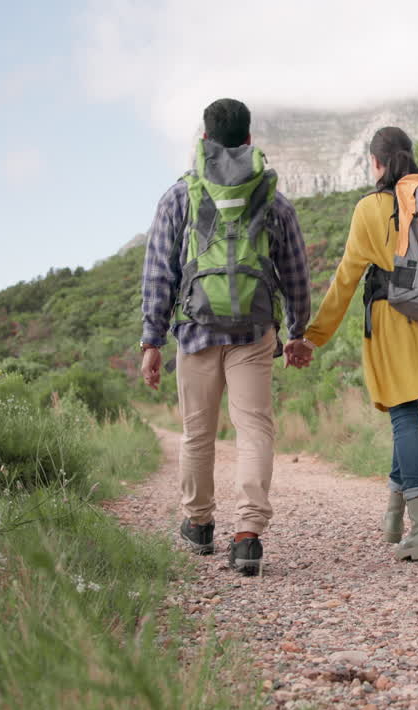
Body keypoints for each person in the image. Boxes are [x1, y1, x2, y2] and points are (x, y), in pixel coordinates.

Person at [140, 98, 311, 576]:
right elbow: (296, 273)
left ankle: (198, 526)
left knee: (198, 433)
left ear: (204, 140)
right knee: (254, 428)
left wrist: (151, 340)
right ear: (250, 140)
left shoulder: (180, 196)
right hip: (254, 332)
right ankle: (247, 535)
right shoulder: (272, 198)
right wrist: (296, 333)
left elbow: (158, 273)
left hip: (195, 331)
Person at [285, 127, 418, 562]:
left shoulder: (370, 209)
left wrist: (311, 337)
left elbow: (345, 280)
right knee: (409, 414)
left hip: (394, 323)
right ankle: (393, 516)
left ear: (376, 163)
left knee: (404, 419)